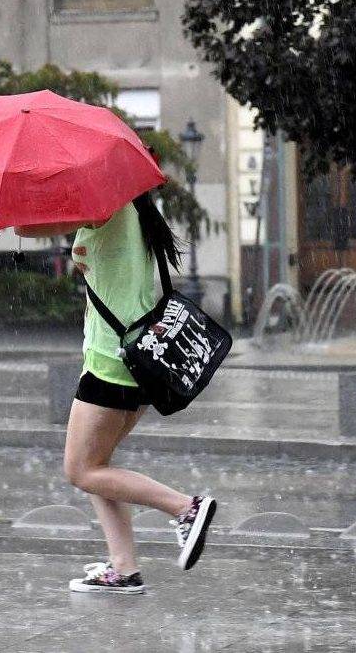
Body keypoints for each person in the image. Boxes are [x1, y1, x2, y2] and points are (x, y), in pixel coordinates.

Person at [17, 193, 217, 594]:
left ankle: (185, 508)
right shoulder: (135, 211)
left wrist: (14, 220)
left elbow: (32, 228)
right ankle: (124, 568)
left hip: (113, 362)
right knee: (99, 468)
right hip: (138, 359)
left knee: (80, 470)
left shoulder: (102, 206)